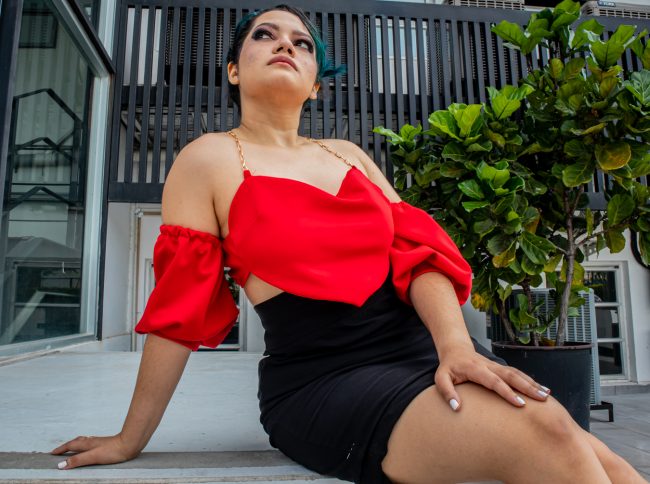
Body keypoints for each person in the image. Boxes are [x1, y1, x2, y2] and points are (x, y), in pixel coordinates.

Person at [51, 5, 646, 483]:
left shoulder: (349, 155)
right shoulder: (207, 158)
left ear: (315, 86)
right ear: (233, 70)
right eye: (265, 35)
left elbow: (418, 256)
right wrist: (131, 438)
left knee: (610, 464)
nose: (285, 45)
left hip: (426, 351)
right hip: (325, 379)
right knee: (551, 434)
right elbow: (179, 309)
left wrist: (457, 349)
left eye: (302, 43)